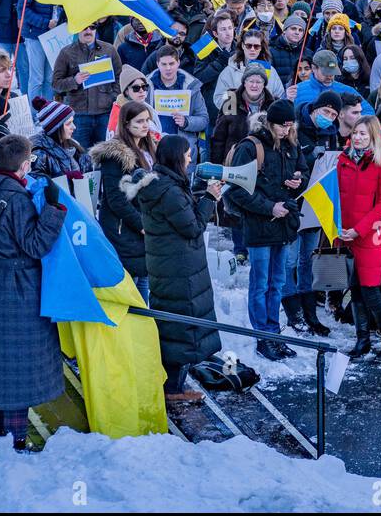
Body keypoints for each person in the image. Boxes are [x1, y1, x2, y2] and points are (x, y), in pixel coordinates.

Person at [0, 135, 67, 449]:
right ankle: (17, 438)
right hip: (20, 286)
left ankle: (0, 427)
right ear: (23, 164)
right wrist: (54, 209)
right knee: (20, 363)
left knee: (1, 360)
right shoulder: (17, 198)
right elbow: (34, 244)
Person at [134, 134, 223, 402]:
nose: (190, 158)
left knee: (174, 326)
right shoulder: (170, 191)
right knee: (181, 327)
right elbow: (192, 227)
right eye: (186, 154)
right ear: (175, 157)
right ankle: (173, 389)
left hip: (171, 266)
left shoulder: (161, 184)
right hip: (180, 269)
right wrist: (209, 198)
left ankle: (172, 382)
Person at [225, 99, 303, 361]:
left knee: (277, 282)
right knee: (261, 283)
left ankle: (273, 333)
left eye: (290, 126)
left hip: (283, 227)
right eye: (282, 126)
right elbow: (236, 189)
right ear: (270, 123)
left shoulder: (291, 143)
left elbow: (300, 170)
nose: (286, 131)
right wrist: (270, 207)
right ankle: (263, 336)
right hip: (260, 226)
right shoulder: (250, 147)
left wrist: (297, 181)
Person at [336, 117, 381, 361]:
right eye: (356, 132)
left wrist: (359, 230)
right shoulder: (343, 160)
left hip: (371, 235)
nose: (358, 137)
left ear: (373, 135)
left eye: (363, 133)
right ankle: (362, 340)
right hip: (348, 234)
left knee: (371, 290)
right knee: (355, 289)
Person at [90, 102, 156, 300]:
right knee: (132, 283)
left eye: (147, 120)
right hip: (123, 227)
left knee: (143, 276)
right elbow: (116, 199)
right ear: (126, 124)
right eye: (140, 121)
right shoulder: (115, 155)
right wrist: (141, 223)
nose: (145, 125)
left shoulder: (147, 147)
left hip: (142, 222)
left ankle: (144, 325)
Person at [52, 24, 122, 150]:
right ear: (77, 28)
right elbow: (56, 84)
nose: (88, 31)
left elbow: (119, 77)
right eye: (84, 27)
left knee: (106, 154)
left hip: (105, 113)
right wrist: (74, 80)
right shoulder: (66, 52)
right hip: (79, 115)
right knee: (81, 155)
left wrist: (113, 96)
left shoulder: (109, 50)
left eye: (93, 26)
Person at [29, 98, 92, 181]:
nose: (74, 127)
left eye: (72, 122)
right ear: (56, 128)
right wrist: (65, 177)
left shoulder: (73, 145)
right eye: (68, 124)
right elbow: (35, 181)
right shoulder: (39, 153)